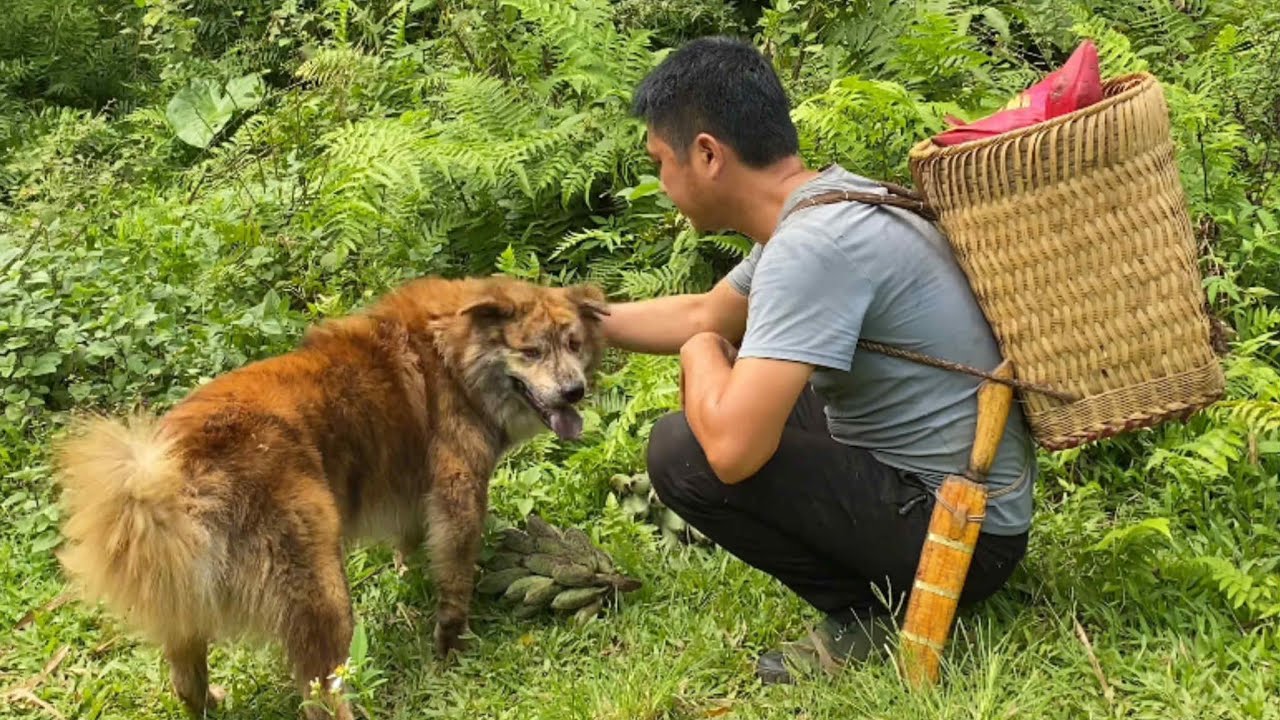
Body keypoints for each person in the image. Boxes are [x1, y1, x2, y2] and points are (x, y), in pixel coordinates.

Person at [598, 36, 1036, 684]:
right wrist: (565, 316)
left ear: (708, 154)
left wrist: (699, 359)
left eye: (661, 162)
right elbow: (705, 315)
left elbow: (731, 450)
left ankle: (872, 611)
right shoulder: (831, 206)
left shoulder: (812, 248)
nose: (662, 183)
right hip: (977, 510)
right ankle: (878, 590)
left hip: (961, 540)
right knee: (750, 390)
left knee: (685, 450)